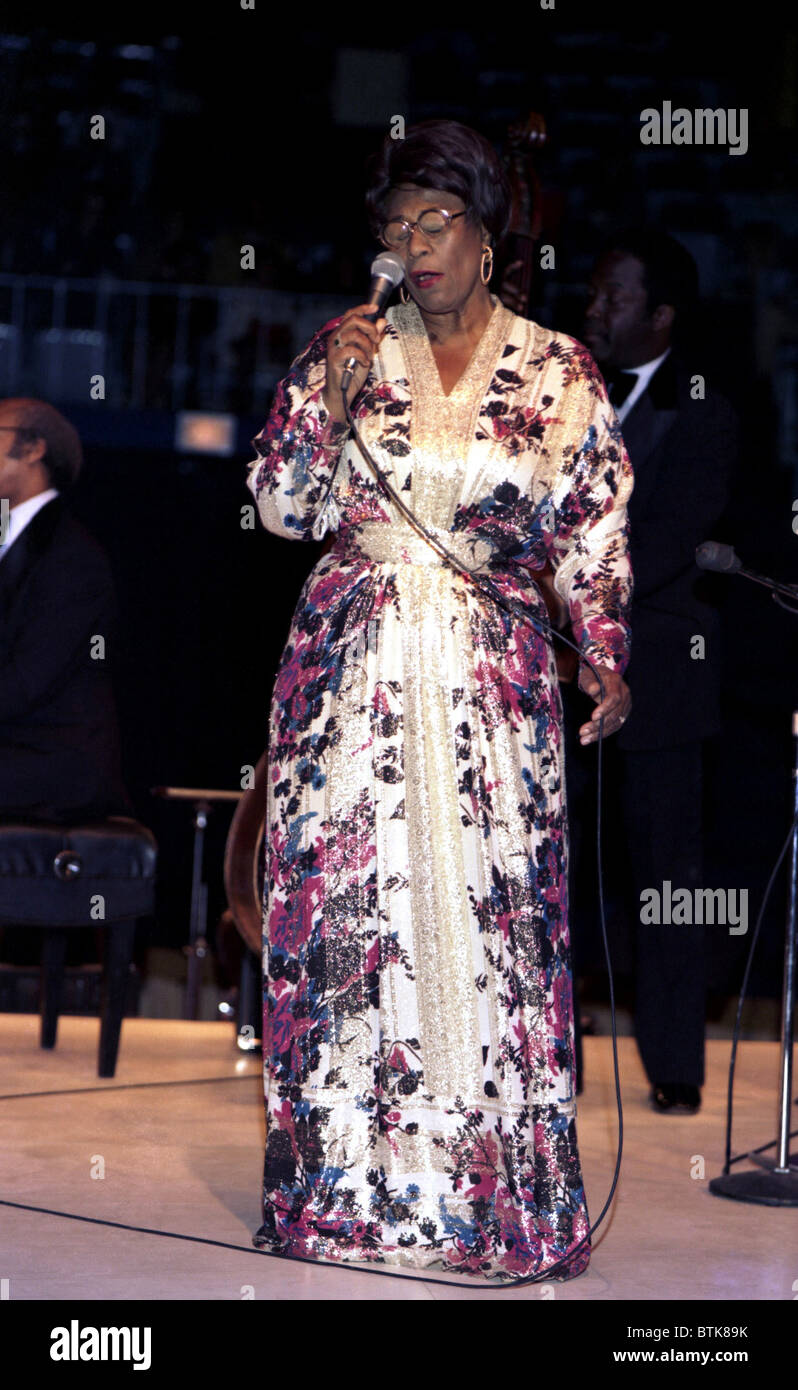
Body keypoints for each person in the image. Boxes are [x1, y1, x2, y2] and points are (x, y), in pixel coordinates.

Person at [245, 120, 633, 1284]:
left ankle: (489, 1199)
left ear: (486, 233)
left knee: (484, 916)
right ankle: (343, 1191)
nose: (413, 245)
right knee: (355, 917)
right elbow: (277, 503)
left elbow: (593, 527)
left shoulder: (558, 368)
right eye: (394, 225)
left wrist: (605, 649)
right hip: (349, 674)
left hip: (491, 685)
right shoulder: (343, 349)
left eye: (436, 221)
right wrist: (329, 394)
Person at [575, 230, 737, 1114]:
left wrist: (579, 585)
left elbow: (670, 539)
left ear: (663, 316)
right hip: (562, 673)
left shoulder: (704, 408)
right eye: (596, 293)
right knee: (550, 864)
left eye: (615, 298)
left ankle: (673, 1064)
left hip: (660, 676)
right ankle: (544, 1044)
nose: (595, 309)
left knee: (666, 882)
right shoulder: (569, 394)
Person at [0, 397, 130, 822]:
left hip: (50, 761)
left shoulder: (72, 556)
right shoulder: (13, 540)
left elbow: (23, 685)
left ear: (34, 448)